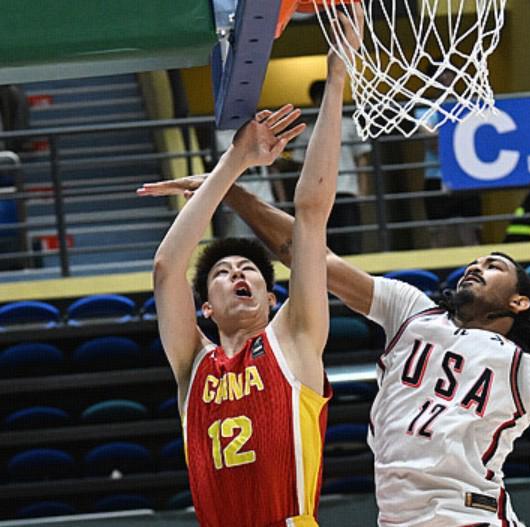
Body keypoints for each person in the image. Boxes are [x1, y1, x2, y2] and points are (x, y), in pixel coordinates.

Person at [140, 185, 530, 526]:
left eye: (493, 266)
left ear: (519, 301)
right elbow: (307, 253)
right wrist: (229, 190)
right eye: (475, 261)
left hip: (469, 516)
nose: (476, 266)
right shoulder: (410, 310)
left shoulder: (527, 374)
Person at [138, 10, 362, 526]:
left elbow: (311, 213)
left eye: (248, 270)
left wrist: (336, 77)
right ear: (206, 309)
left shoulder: (295, 338)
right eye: (223, 273)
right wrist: (234, 161)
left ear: (272, 297)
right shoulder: (193, 363)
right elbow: (167, 267)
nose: (238, 274)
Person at [289, 79, 371, 254]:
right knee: (327, 242)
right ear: (315, 101)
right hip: (318, 193)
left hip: (347, 189)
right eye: (320, 98)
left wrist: (362, 189)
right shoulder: (307, 132)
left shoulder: (350, 125)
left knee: (351, 240)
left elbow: (362, 159)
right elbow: (300, 167)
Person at [416, 66, 482, 248]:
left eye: (448, 74)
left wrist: (447, 136)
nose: (444, 79)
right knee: (439, 234)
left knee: (471, 233)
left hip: (466, 176)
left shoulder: (468, 106)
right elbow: (432, 141)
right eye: (438, 75)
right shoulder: (425, 109)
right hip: (437, 177)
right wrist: (460, 138)